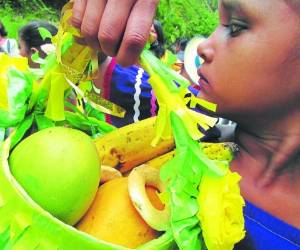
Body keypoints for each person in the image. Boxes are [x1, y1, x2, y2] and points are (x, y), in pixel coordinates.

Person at [73, 0, 300, 249]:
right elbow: (90, 66)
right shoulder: (183, 121)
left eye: (235, 27)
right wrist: (90, 23)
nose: (203, 46)